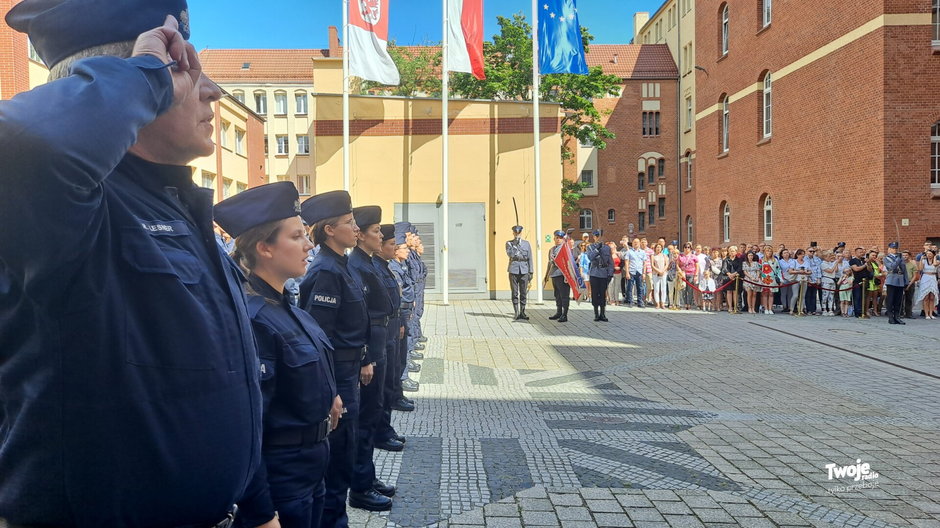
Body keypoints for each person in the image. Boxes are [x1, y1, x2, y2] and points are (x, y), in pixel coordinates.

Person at [0, 6, 259, 527]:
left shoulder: (175, 206)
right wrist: (144, 75)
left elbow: (221, 381)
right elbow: (22, 143)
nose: (213, 92)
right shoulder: (67, 206)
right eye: (188, 72)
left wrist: (257, 506)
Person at [214, 183, 339, 528]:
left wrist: (331, 395)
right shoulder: (253, 318)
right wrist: (262, 512)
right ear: (264, 248)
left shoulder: (286, 307)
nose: (310, 244)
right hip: (282, 482)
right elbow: (247, 426)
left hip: (310, 470)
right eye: (297, 236)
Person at [298, 190, 373, 526]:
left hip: (348, 367)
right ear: (328, 229)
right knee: (338, 451)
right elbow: (319, 336)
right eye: (348, 222)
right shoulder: (326, 270)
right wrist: (332, 389)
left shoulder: (341, 264)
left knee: (347, 446)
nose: (356, 228)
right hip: (337, 371)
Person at [347, 206, 397, 512]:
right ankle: (361, 486)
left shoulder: (365, 262)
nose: (381, 235)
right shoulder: (357, 265)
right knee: (365, 420)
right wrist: (365, 356)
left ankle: (367, 476)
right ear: (361, 235)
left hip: (378, 344)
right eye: (376, 231)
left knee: (373, 412)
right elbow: (359, 316)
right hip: (370, 349)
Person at [374, 224, 411, 452]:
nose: (394, 247)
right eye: (391, 244)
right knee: (381, 390)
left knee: (388, 384)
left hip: (390, 328)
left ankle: (385, 429)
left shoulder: (384, 267)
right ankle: (381, 432)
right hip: (381, 334)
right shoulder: (372, 268)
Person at [505, 225, 534, 320]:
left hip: (524, 269)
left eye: (519, 233)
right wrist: (515, 245)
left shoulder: (526, 244)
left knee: (523, 292)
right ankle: (516, 312)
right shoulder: (509, 243)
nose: (517, 234)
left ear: (521, 233)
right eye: (515, 233)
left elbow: (530, 258)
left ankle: (522, 312)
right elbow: (510, 254)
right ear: (513, 233)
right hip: (513, 269)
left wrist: (531, 271)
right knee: (514, 292)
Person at [586, 229, 614, 321]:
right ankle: (596, 314)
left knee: (602, 294)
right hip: (594, 273)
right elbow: (590, 257)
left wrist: (610, 273)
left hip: (603, 273)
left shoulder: (607, 248)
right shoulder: (590, 247)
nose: (598, 238)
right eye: (596, 236)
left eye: (599, 236)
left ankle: (603, 313)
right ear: (594, 237)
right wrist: (597, 249)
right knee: (595, 294)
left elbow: (610, 261)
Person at [544, 230, 571, 322]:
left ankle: (565, 314)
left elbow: (568, 263)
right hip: (554, 274)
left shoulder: (565, 249)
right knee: (557, 295)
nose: (558, 240)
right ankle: (559, 312)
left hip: (563, 275)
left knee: (564, 295)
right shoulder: (551, 250)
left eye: (560, 238)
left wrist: (568, 276)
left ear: (563, 239)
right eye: (557, 238)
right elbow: (549, 264)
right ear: (554, 238)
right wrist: (546, 275)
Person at [882, 242, 908, 325]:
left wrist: (906, 281)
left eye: (896, 248)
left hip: (900, 280)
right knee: (891, 299)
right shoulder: (886, 258)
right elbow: (892, 267)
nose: (895, 250)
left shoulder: (900, 258)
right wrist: (898, 259)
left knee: (898, 300)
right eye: (893, 248)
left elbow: (904, 270)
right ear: (889, 249)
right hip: (892, 280)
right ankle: (890, 317)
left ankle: (897, 317)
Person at [914, 249, 939, 319]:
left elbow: (934, 264)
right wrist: (921, 259)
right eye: (927, 254)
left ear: (933, 254)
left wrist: (935, 257)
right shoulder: (924, 261)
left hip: (933, 278)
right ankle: (926, 314)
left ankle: (931, 313)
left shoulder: (937, 261)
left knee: (932, 297)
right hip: (925, 278)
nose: (928, 255)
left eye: (930, 253)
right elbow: (920, 269)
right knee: (926, 297)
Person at [624, 238, 648, 307]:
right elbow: (626, 262)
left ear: (640, 243)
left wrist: (644, 273)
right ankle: (630, 301)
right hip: (631, 271)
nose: (636, 243)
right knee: (630, 287)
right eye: (634, 242)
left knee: (640, 287)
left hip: (639, 272)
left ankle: (640, 302)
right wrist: (627, 272)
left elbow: (644, 263)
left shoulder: (643, 252)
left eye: (637, 242)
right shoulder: (629, 252)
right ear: (632, 244)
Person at [850, 247, 872, 318]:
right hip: (857, 281)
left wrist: (868, 263)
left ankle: (863, 311)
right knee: (857, 297)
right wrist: (864, 265)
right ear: (856, 253)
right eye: (860, 252)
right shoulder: (853, 260)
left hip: (865, 281)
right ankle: (858, 312)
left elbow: (870, 270)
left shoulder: (864, 260)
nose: (862, 253)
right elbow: (856, 269)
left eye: (862, 252)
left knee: (864, 297)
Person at [759, 246, 781, 315]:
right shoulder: (761, 260)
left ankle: (770, 308)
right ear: (765, 252)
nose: (769, 252)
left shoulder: (775, 260)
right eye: (767, 251)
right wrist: (761, 278)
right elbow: (759, 270)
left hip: (773, 279)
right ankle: (765, 308)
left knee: (771, 294)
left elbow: (778, 270)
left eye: (770, 251)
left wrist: (780, 279)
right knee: (765, 294)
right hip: (764, 279)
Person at [677, 243, 698, 310]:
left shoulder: (694, 256)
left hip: (691, 274)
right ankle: (684, 303)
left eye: (688, 247)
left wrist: (696, 275)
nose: (687, 248)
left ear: (690, 248)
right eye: (685, 247)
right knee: (683, 289)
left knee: (690, 290)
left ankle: (689, 304)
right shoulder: (680, 256)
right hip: (683, 274)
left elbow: (697, 266)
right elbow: (677, 265)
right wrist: (680, 271)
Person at [650, 243, 668, 309]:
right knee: (656, 289)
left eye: (660, 247)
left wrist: (663, 271)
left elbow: (666, 264)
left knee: (663, 289)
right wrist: (658, 271)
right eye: (657, 247)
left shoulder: (664, 255)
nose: (658, 248)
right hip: (656, 274)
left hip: (663, 273)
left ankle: (663, 303)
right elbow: (652, 265)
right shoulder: (653, 256)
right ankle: (657, 303)